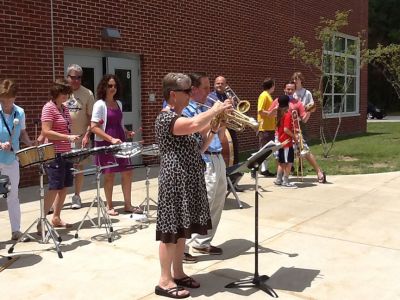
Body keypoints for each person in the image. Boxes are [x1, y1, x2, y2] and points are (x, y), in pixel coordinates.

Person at [155, 73, 229, 298]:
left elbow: (200, 147)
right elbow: (195, 124)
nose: (190, 95)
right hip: (174, 181)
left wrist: (215, 128)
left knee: (182, 232)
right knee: (170, 233)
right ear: (172, 95)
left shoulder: (182, 117)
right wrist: (215, 109)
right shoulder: (166, 119)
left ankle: (178, 273)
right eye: (186, 91)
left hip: (189, 179)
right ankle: (164, 281)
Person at [183, 73, 232, 263]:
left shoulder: (205, 107)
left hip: (217, 155)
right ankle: (184, 246)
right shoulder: (188, 109)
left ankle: (202, 241)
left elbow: (218, 131)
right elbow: (196, 130)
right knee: (198, 205)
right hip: (204, 158)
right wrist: (214, 113)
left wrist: (223, 117)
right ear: (193, 89)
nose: (209, 91)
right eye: (205, 87)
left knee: (217, 200)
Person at [90, 74, 142, 216]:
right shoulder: (99, 104)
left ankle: (128, 204)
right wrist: (111, 139)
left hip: (120, 141)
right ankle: (109, 206)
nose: (113, 88)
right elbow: (93, 127)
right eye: (110, 86)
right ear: (104, 87)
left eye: (115, 86)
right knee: (110, 175)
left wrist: (126, 132)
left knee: (128, 172)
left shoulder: (118, 103)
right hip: (106, 143)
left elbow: (119, 123)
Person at [268, 81, 326, 184]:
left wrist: (309, 112)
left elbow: (304, 119)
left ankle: (319, 172)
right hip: (281, 133)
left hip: (295, 132)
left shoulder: (297, 103)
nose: (289, 91)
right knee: (279, 156)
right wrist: (275, 110)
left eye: (292, 89)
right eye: (288, 89)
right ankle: (280, 177)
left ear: (294, 90)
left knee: (306, 151)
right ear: (284, 89)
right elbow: (269, 115)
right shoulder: (278, 101)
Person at [41, 79, 80, 228]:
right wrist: (67, 137)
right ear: (56, 92)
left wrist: (71, 143)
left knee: (64, 186)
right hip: (53, 153)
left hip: (66, 152)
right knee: (54, 186)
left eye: (67, 93)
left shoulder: (64, 109)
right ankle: (42, 220)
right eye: (63, 93)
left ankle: (56, 217)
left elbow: (66, 129)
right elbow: (46, 131)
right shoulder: (48, 108)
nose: (66, 96)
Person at [0, 79, 34, 241]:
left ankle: (16, 230)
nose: (7, 103)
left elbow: (22, 133)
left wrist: (30, 143)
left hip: (12, 158)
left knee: (13, 195)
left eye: (10, 99)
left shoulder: (19, 112)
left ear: (15, 97)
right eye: (3, 99)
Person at [65, 64, 95, 209]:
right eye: (73, 77)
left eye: (78, 78)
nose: (76, 80)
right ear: (67, 78)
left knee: (79, 168)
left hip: (80, 138)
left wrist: (87, 135)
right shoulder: (62, 92)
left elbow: (91, 117)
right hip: (62, 138)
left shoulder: (88, 94)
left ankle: (76, 196)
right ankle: (56, 200)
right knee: (61, 169)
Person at [208, 75, 243, 190]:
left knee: (235, 153)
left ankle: (233, 182)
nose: (219, 85)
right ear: (214, 84)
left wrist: (232, 105)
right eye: (217, 83)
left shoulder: (228, 96)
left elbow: (235, 113)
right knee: (223, 154)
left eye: (222, 83)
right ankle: (223, 181)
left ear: (226, 84)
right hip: (218, 128)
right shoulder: (210, 97)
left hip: (230, 128)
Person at [256, 77, 276, 177]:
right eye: (274, 85)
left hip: (270, 127)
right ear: (271, 85)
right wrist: (270, 113)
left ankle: (264, 169)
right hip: (265, 127)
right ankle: (254, 168)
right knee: (263, 150)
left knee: (267, 150)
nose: (274, 87)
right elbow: (260, 110)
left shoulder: (268, 95)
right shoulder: (264, 95)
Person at [276, 95, 297, 188]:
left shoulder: (279, 113)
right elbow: (286, 129)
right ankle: (285, 181)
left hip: (281, 141)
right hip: (286, 142)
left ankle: (278, 179)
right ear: (288, 103)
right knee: (289, 162)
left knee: (281, 162)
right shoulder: (287, 114)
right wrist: (294, 136)